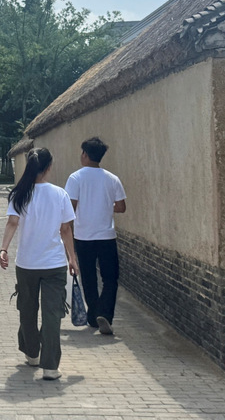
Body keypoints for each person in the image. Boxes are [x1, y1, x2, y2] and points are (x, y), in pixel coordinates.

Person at [0, 147, 78, 381]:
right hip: (54, 264)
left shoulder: (19, 194)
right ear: (49, 167)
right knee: (52, 314)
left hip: (27, 264)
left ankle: (32, 353)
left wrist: (3, 249)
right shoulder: (60, 194)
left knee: (27, 310)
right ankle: (50, 366)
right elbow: (66, 229)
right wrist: (72, 258)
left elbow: (12, 223)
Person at [64, 137, 126, 335]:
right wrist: (105, 205)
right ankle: (105, 314)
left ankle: (93, 317)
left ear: (85, 154)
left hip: (83, 236)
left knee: (89, 277)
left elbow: (70, 208)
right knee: (110, 278)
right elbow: (121, 206)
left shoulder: (75, 178)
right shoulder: (112, 178)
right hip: (107, 236)